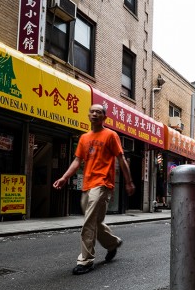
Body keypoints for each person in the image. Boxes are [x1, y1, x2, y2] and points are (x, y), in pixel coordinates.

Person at [53, 104, 135, 275]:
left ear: (105, 117)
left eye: (99, 112)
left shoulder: (111, 135)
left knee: (88, 222)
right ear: (88, 115)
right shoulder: (84, 138)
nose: (95, 114)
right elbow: (77, 161)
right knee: (95, 221)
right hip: (88, 184)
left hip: (103, 184)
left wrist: (128, 182)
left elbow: (121, 159)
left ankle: (86, 260)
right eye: (92, 111)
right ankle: (112, 243)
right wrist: (64, 177)